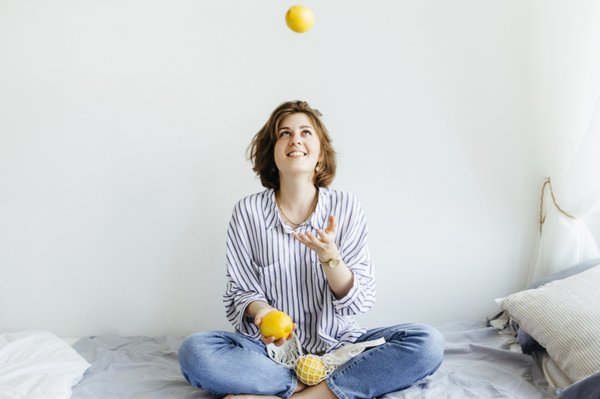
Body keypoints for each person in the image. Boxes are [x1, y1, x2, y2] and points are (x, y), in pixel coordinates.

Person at [178, 100, 444, 399]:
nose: (295, 140)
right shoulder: (248, 211)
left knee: (427, 342)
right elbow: (240, 292)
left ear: (320, 154)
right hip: (269, 354)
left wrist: (329, 257)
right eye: (284, 133)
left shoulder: (346, 207)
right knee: (195, 351)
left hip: (340, 350)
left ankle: (305, 396)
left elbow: (359, 302)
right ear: (273, 152)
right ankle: (312, 387)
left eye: (306, 133)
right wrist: (264, 312)